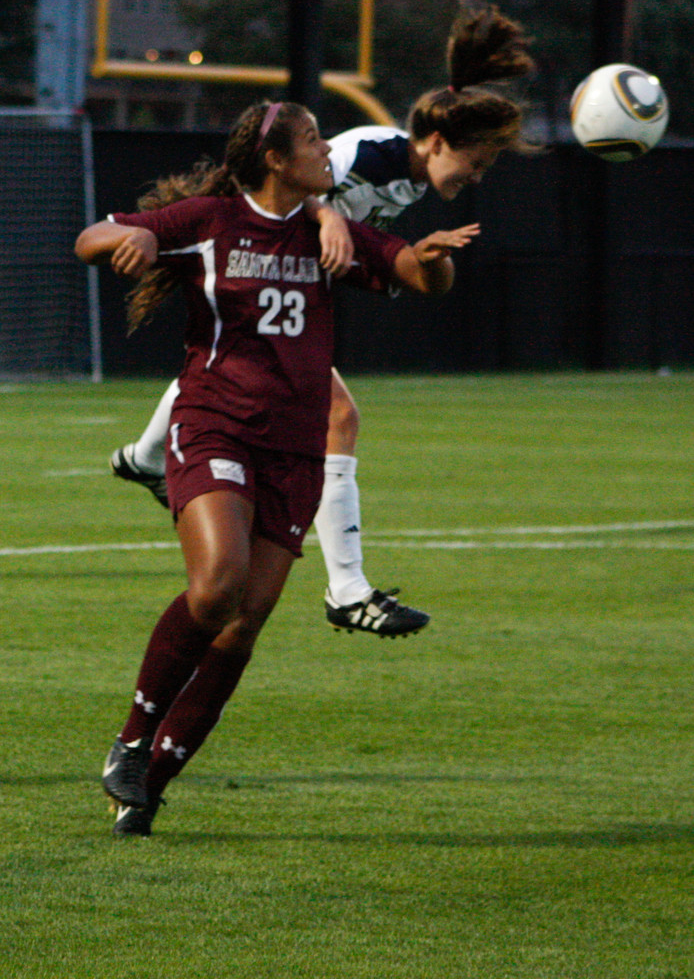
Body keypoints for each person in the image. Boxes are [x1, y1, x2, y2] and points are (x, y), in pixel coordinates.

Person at [75, 99, 478, 835]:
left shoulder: (329, 233)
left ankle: (150, 785)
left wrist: (433, 258)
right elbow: (90, 238)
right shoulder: (210, 221)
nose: (328, 150)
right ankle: (130, 742)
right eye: (315, 140)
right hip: (215, 425)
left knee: (243, 627)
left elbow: (414, 277)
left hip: (294, 452)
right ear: (275, 160)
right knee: (220, 583)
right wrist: (123, 240)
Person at [108, 2, 535, 638]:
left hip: (286, 285)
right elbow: (291, 181)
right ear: (439, 141)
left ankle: (144, 459)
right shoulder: (374, 149)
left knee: (232, 373)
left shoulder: (411, 182)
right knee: (331, 412)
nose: (478, 174)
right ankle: (347, 590)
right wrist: (330, 216)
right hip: (247, 256)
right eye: (477, 160)